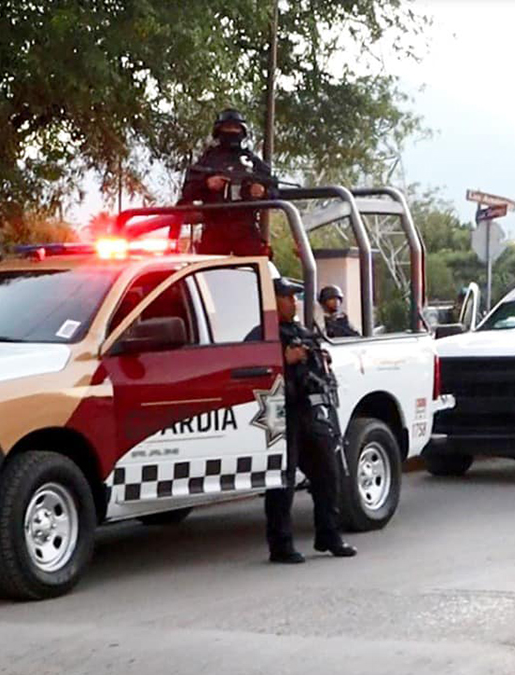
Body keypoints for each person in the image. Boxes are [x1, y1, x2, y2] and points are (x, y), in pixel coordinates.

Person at [265, 278, 357, 563]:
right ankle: (281, 545)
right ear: (272, 300)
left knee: (328, 472)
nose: (293, 302)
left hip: (307, 409)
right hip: (278, 411)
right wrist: (283, 359)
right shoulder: (263, 334)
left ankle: (329, 535)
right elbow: (255, 369)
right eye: (286, 297)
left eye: (294, 297)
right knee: (283, 479)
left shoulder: (302, 331)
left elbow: (316, 368)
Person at [179, 108, 279, 257]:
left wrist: (263, 191)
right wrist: (207, 184)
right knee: (210, 274)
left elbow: (275, 191)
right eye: (227, 127)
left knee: (257, 274)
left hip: (246, 230)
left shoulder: (252, 161)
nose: (232, 131)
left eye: (236, 128)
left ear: (242, 132)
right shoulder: (207, 161)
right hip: (214, 230)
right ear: (219, 131)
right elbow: (187, 191)